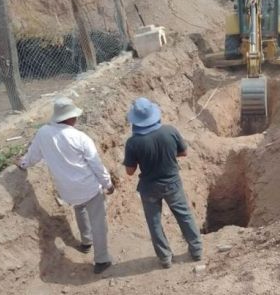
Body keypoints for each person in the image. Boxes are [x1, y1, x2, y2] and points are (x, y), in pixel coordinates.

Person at [16, 97, 114, 274]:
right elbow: (97, 165)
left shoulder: (43, 133)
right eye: (74, 116)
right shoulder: (80, 138)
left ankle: (86, 242)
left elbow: (32, 157)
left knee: (79, 209)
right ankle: (102, 260)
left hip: (68, 191)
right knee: (98, 222)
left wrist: (22, 164)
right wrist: (108, 184)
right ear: (70, 118)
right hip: (89, 188)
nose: (76, 119)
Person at [123, 97, 202, 269]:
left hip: (149, 188)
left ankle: (165, 258)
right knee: (184, 215)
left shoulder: (133, 142)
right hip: (172, 183)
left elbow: (130, 171)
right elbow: (184, 152)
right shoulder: (170, 131)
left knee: (154, 222)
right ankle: (196, 251)